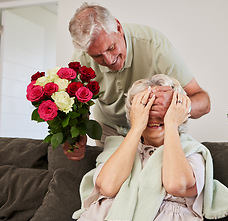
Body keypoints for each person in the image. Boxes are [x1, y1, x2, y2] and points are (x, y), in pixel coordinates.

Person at [43, 75, 228, 221]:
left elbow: (176, 185)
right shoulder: (118, 145)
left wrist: (171, 124)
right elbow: (108, 186)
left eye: (162, 110)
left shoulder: (191, 149)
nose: (153, 115)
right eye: (146, 106)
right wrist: (137, 126)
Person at [64, 2, 210, 157]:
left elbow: (203, 101)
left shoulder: (156, 46)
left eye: (111, 47)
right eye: (97, 56)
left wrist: (176, 108)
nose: (108, 60)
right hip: (109, 129)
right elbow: (77, 107)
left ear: (119, 28)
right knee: (112, 176)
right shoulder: (80, 58)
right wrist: (76, 137)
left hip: (153, 128)